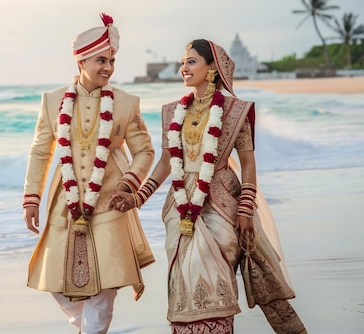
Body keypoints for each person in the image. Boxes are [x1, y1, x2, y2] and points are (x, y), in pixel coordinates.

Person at [108, 39, 307, 334]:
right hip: (179, 207)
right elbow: (166, 161)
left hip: (222, 204)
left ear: (211, 68)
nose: (183, 68)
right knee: (184, 279)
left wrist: (246, 209)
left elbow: (248, 163)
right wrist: (137, 198)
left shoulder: (236, 111)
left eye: (191, 62)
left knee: (216, 279)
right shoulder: (172, 111)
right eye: (183, 62)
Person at [22, 13, 156, 333]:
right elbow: (41, 151)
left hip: (110, 201)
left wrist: (128, 185)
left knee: (105, 284)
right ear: (81, 60)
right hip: (64, 205)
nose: (109, 67)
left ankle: (92, 326)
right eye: (101, 60)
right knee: (56, 278)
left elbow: (145, 151)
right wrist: (31, 198)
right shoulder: (52, 101)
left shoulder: (125, 103)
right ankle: (83, 323)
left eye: (112, 60)